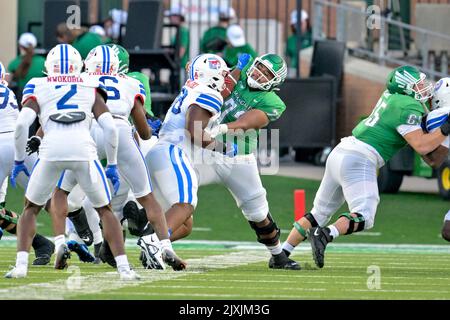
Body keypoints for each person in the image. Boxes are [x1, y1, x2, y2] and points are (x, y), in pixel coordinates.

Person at [281, 66, 449, 269]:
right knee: (364, 215)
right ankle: (326, 234)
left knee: (319, 213)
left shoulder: (393, 97)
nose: (424, 87)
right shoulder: (407, 106)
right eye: (418, 84)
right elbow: (422, 146)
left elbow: (430, 157)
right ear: (405, 88)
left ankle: (282, 254)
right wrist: (445, 128)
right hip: (360, 158)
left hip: (342, 151)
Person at [5, 44, 138, 280]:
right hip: (83, 150)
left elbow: (21, 125)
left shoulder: (39, 84)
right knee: (105, 210)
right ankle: (124, 269)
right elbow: (110, 128)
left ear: (49, 65)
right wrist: (113, 164)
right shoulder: (89, 85)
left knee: (30, 209)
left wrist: (18, 160)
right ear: (79, 65)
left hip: (50, 150)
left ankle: (21, 266)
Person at [161, 53, 300, 270]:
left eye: (267, 73)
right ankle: (155, 240)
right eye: (260, 67)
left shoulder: (274, 102)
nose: (260, 73)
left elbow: (248, 121)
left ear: (275, 82)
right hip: (205, 149)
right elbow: (204, 75)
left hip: (237, 155)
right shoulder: (239, 72)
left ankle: (278, 256)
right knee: (180, 196)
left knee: (257, 210)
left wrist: (224, 128)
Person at [53, 45, 185, 271]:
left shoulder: (81, 79)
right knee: (147, 197)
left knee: (61, 193)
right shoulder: (131, 83)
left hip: (89, 130)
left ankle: (59, 243)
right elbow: (144, 132)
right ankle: (164, 246)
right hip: (121, 130)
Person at [142, 53, 230, 269]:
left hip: (159, 153)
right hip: (173, 152)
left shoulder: (192, 87)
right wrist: (223, 148)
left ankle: (161, 249)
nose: (225, 79)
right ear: (212, 76)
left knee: (185, 224)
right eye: (222, 74)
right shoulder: (209, 93)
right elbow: (194, 131)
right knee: (186, 204)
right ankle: (153, 243)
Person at [7, 33, 45, 99]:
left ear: (20, 46)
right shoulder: (43, 61)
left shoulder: (14, 63)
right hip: (40, 95)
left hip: (22, 98)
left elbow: (7, 84)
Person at [285, 9, 312, 77]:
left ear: (306, 22)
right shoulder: (290, 40)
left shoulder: (313, 36)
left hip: (310, 71)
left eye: (300, 23)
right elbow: (287, 58)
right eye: (295, 24)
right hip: (294, 72)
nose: (298, 26)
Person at [167, 6, 190, 83]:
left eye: (172, 16)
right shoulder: (179, 30)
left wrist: (176, 60)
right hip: (177, 65)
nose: (170, 18)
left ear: (179, 17)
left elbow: (182, 49)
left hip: (181, 66)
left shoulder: (183, 31)